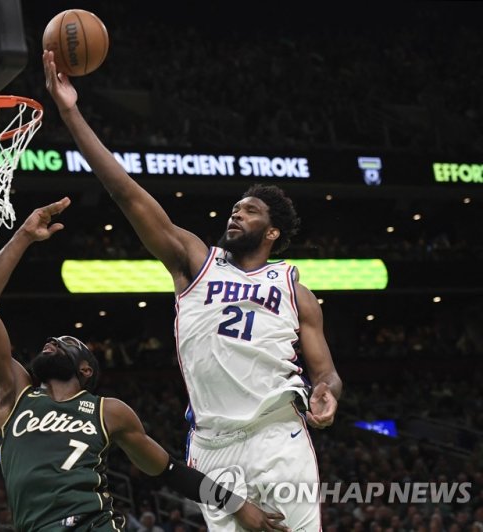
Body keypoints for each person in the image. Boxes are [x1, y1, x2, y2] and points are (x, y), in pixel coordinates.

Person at [43, 51, 342, 532]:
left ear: (271, 233)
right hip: (212, 444)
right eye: (235, 208)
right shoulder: (195, 261)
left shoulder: (294, 288)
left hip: (276, 431)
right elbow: (128, 193)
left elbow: (324, 372)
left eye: (248, 212)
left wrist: (327, 392)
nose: (235, 215)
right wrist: (71, 113)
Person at [0, 198, 288, 532]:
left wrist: (234, 503)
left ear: (85, 370)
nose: (52, 342)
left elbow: (169, 470)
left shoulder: (108, 412)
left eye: (66, 343)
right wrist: (24, 236)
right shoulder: (15, 395)